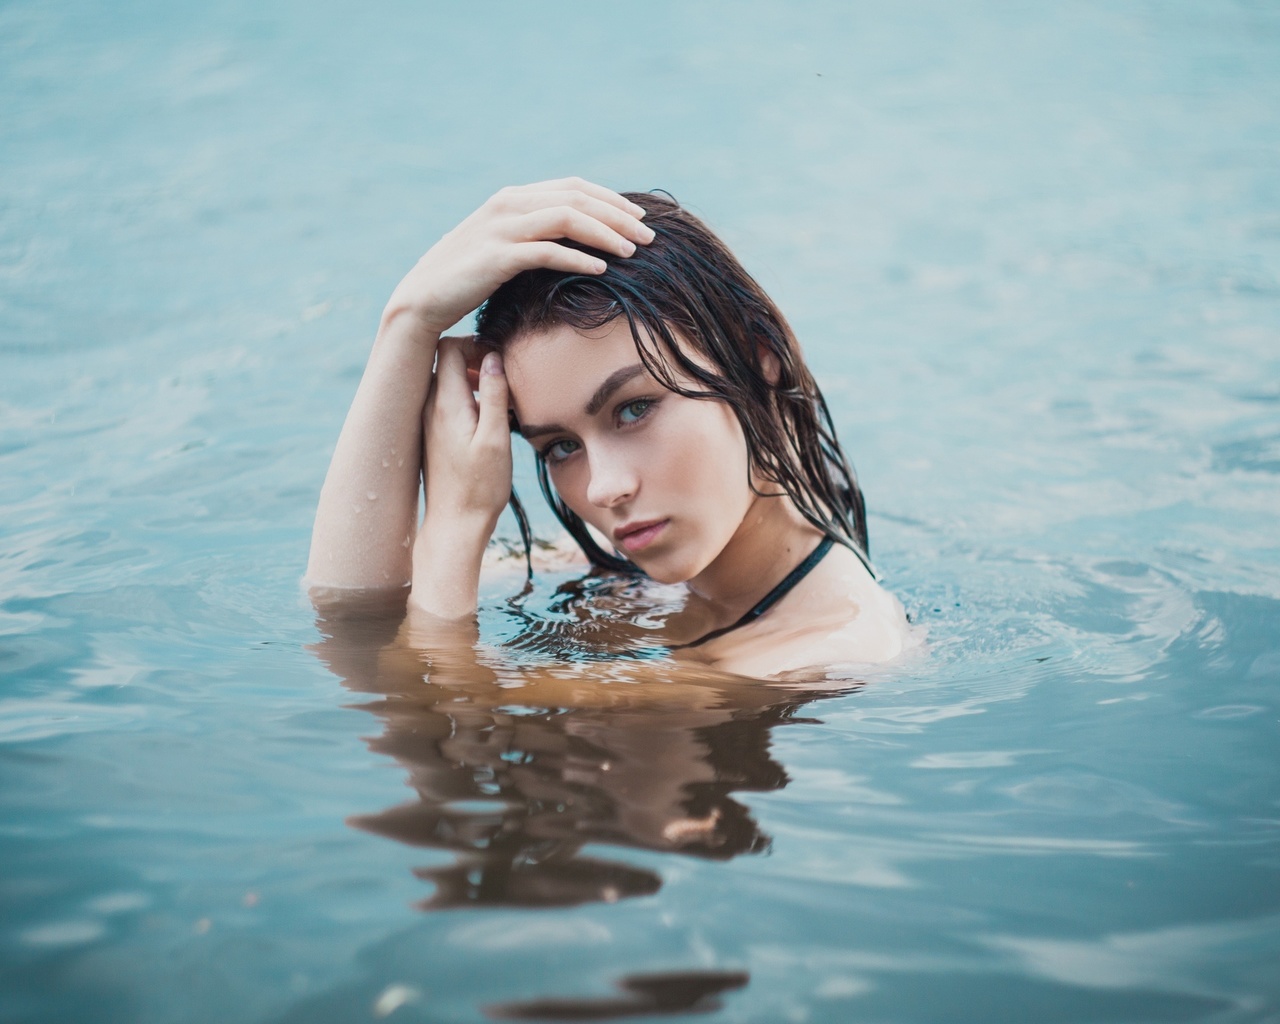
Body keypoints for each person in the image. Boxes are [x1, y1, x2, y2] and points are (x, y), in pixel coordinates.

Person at [306, 177, 909, 678]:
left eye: (633, 409)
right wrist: (407, 323)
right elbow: (348, 614)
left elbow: (423, 713)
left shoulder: (819, 659)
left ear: (757, 362)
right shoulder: (649, 577)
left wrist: (457, 523)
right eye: (560, 446)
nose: (602, 489)